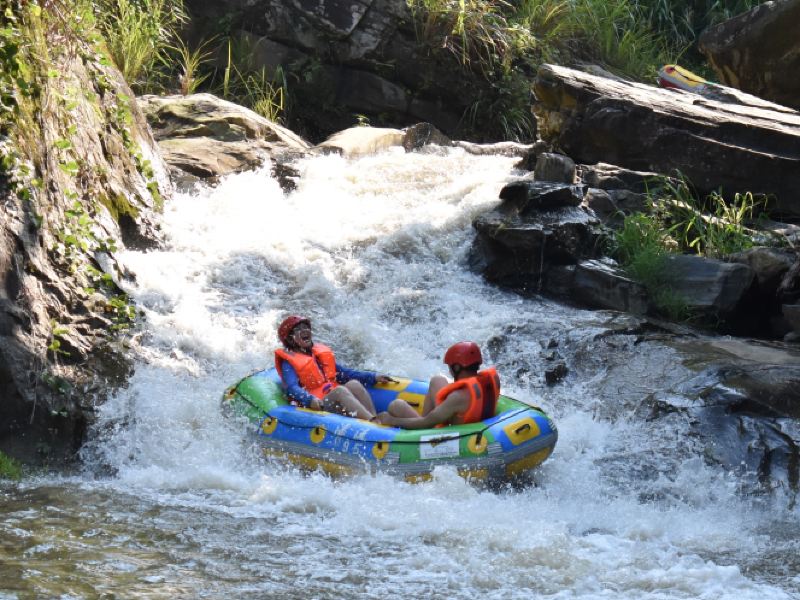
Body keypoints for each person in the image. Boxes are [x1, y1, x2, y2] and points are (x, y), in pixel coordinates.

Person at [274, 315, 394, 422]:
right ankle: (372, 422)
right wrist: (309, 400)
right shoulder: (288, 363)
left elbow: (345, 373)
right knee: (339, 391)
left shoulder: (317, 356)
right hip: (316, 405)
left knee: (354, 384)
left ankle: (373, 418)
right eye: (298, 329)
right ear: (290, 339)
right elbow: (292, 388)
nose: (304, 330)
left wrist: (373, 377)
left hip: (330, 397)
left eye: (306, 327)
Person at [378, 341, 500, 429]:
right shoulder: (492, 381)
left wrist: (391, 420)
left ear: (457, 367)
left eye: (450, 366)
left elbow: (427, 422)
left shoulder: (458, 397)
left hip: (443, 434)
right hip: (467, 418)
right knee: (437, 380)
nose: (449, 370)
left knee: (396, 406)